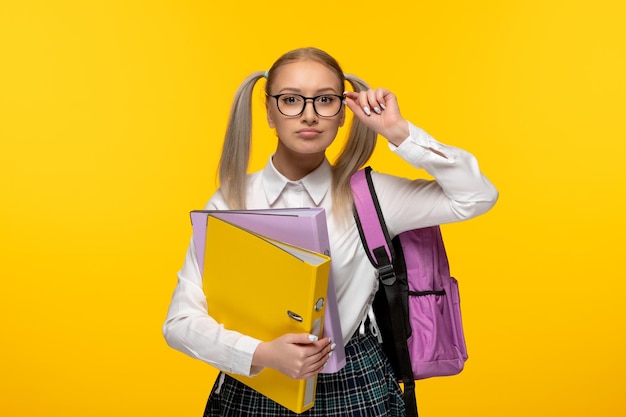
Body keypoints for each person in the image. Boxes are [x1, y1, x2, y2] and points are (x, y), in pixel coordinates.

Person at [163, 47, 498, 416]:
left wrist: (400, 133)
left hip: (354, 385)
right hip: (253, 385)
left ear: (342, 113)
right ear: (269, 112)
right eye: (290, 100)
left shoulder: (372, 197)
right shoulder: (230, 200)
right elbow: (180, 322)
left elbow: (477, 196)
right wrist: (262, 354)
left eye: (325, 100)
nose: (309, 115)